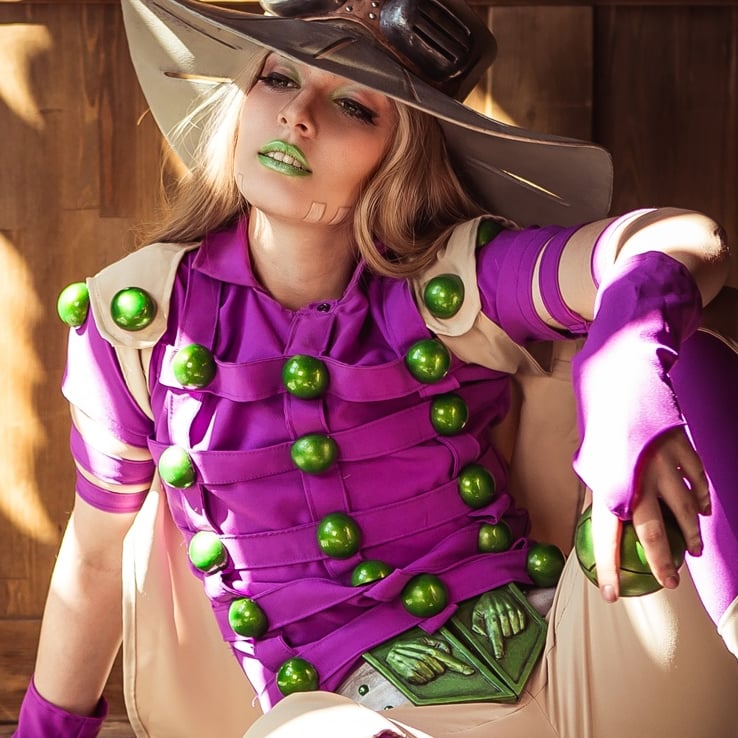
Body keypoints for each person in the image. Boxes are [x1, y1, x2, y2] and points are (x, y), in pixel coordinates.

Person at [15, 0, 738, 736]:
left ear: (401, 156)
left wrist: (624, 374)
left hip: (581, 670)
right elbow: (96, 560)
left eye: (354, 106)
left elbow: (679, 238)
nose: (298, 115)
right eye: (278, 79)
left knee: (687, 357)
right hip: (350, 716)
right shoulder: (138, 320)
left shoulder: (451, 282)